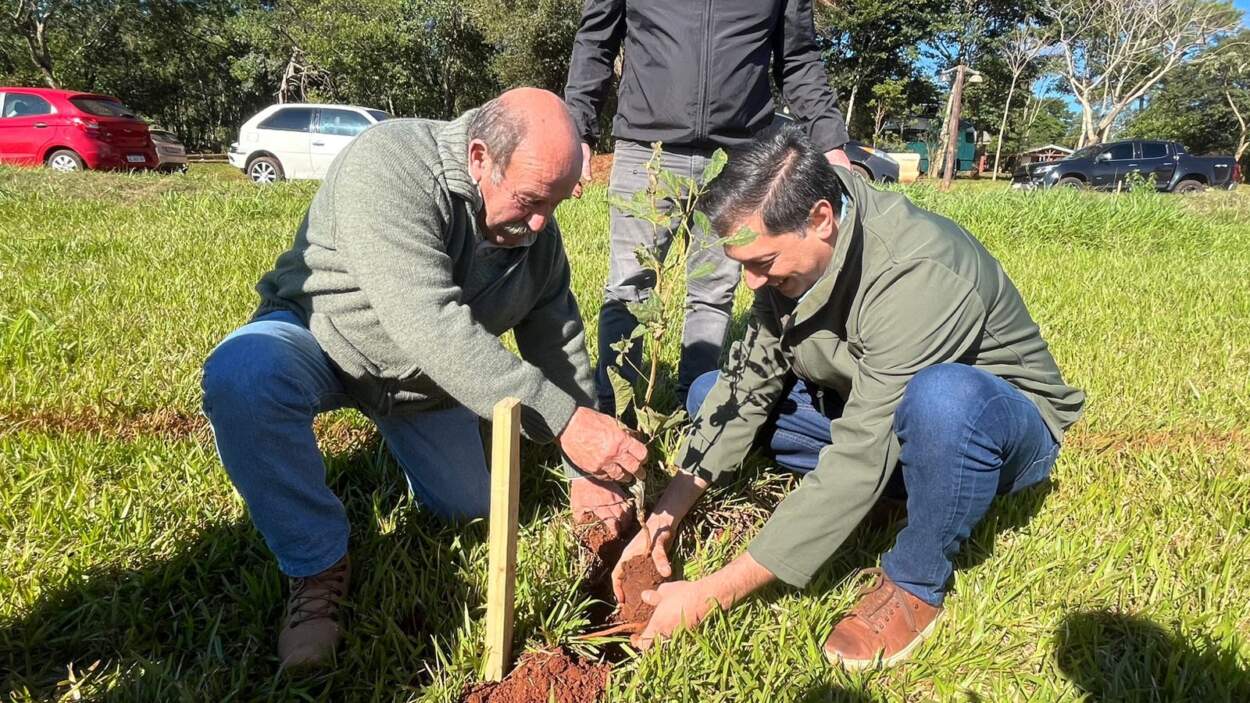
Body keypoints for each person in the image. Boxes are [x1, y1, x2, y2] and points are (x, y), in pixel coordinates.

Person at [200, 88, 647, 669]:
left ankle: (432, 432)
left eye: (556, 205)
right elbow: (429, 322)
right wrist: (564, 423)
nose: (541, 222)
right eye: (531, 200)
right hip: (323, 338)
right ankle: (316, 567)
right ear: (481, 158)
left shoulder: (536, 234)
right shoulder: (389, 163)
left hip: (426, 389)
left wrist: (584, 468)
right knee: (243, 376)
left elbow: (558, 343)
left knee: (470, 509)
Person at [612, 125, 1085, 669]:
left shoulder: (915, 271)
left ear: (820, 219)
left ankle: (915, 583)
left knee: (942, 400)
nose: (751, 284)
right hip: (876, 404)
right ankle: (893, 494)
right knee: (707, 394)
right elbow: (745, 389)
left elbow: (863, 448)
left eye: (762, 263)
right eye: (743, 265)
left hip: (992, 432)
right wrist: (662, 521)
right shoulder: (792, 260)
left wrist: (711, 594)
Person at [563, 0, 853, 413]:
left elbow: (799, 57)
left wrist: (830, 142)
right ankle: (613, 412)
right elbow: (596, 39)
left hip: (740, 153)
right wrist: (578, 128)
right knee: (629, 286)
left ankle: (695, 412)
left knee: (714, 291)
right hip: (648, 147)